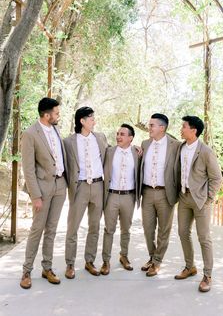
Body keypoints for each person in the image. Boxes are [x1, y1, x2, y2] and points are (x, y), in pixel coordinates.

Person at [20, 97, 67, 289]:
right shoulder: (30, 134)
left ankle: (47, 267)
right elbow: (28, 169)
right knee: (37, 230)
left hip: (60, 186)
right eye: (56, 113)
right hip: (43, 189)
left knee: (52, 230)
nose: (58, 116)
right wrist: (35, 196)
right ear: (46, 115)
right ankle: (26, 271)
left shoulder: (56, 129)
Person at [174, 116, 222, 292]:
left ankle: (207, 275)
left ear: (193, 130)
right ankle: (190, 267)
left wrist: (208, 198)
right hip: (184, 198)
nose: (181, 129)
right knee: (182, 232)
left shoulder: (206, 151)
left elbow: (216, 178)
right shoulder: (180, 147)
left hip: (201, 200)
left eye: (184, 126)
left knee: (204, 238)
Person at [64, 106, 108, 278]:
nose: (94, 121)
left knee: (94, 226)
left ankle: (90, 261)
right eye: (91, 118)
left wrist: (134, 148)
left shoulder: (101, 137)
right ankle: (70, 264)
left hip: (98, 186)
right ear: (82, 121)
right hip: (80, 187)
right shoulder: (69, 142)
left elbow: (111, 151)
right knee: (72, 227)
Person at [140, 113, 180, 277]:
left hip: (166, 193)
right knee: (148, 228)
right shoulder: (145, 144)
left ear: (162, 128)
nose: (149, 128)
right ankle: (151, 257)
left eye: (152, 125)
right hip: (147, 192)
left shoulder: (175, 145)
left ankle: (157, 262)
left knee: (164, 230)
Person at [100, 124, 140, 275]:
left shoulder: (137, 153)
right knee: (109, 229)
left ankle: (124, 256)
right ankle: (106, 261)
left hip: (129, 196)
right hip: (111, 195)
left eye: (122, 134)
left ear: (130, 138)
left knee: (126, 230)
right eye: (117, 133)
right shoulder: (109, 152)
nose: (118, 136)